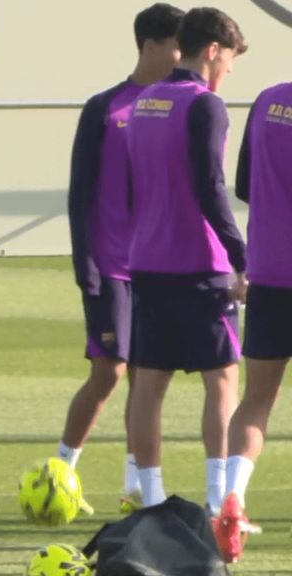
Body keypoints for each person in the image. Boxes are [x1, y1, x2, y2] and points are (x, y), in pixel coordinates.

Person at [125, 6, 248, 519]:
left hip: (147, 259)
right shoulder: (205, 105)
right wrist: (242, 254)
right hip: (199, 263)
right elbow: (209, 186)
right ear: (213, 50)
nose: (230, 72)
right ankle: (220, 500)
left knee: (148, 383)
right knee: (221, 379)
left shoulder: (145, 100)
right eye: (231, 60)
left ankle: (149, 498)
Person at [61, 3, 184, 513]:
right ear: (152, 45)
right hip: (110, 265)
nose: (184, 57)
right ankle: (59, 472)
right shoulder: (104, 107)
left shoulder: (178, 106)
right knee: (109, 372)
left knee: (146, 377)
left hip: (155, 265)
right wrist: (83, 263)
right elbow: (79, 191)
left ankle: (135, 488)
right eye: (178, 45)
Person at [214, 80, 292, 563]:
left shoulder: (268, 100)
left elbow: (243, 184)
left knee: (257, 399)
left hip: (269, 270)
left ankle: (233, 498)